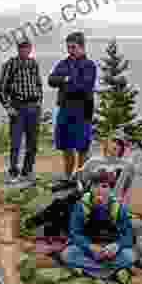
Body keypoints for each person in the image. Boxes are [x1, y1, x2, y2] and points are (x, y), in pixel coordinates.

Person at [59, 171, 137, 283]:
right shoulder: (81, 206)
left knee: (129, 256)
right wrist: (90, 246)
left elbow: (128, 234)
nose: (99, 189)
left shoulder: (119, 208)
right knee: (68, 254)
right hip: (89, 247)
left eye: (104, 186)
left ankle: (89, 270)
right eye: (95, 185)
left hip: (110, 248)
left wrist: (117, 245)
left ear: (110, 189)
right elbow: (75, 232)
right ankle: (110, 271)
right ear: (90, 188)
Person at [48, 32, 97, 181]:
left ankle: (81, 177)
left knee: (82, 147)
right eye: (68, 47)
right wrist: (67, 80)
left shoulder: (89, 65)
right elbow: (51, 80)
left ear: (82, 47)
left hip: (83, 110)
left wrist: (65, 82)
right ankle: (69, 177)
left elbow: (84, 86)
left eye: (73, 47)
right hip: (64, 109)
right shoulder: (64, 63)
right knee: (66, 146)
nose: (70, 50)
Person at [0, 39, 43, 182]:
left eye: (27, 47)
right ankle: (13, 173)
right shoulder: (10, 64)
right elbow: (1, 88)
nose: (24, 50)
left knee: (33, 142)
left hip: (33, 107)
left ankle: (27, 172)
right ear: (18, 49)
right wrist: (8, 107)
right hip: (18, 107)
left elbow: (38, 84)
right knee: (16, 142)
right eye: (22, 47)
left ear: (30, 49)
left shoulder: (33, 64)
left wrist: (39, 103)